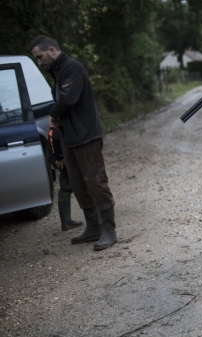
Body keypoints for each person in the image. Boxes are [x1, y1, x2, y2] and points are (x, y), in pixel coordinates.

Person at [30, 35, 117, 251]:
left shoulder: (72, 68)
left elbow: (68, 99)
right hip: (69, 137)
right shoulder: (58, 72)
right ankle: (93, 227)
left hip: (86, 135)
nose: (39, 62)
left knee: (96, 181)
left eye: (40, 57)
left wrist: (52, 114)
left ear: (51, 50)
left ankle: (109, 230)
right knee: (77, 183)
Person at [48, 118, 83, 231]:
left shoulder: (53, 126)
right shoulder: (57, 125)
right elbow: (55, 139)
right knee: (67, 187)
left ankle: (66, 220)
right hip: (62, 159)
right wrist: (60, 157)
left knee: (66, 187)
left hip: (57, 157)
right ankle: (67, 221)